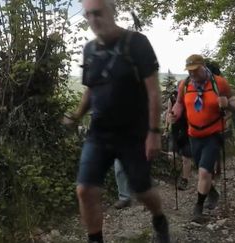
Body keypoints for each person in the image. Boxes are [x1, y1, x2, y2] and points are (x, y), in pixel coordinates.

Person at [66, 0, 170, 242]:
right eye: (88, 15)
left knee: (143, 191)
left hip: (134, 133)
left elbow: (154, 91)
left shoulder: (137, 43)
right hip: (99, 133)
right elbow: (91, 89)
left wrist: (154, 132)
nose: (93, 20)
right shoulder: (90, 49)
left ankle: (159, 219)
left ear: (112, 11)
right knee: (85, 189)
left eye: (98, 13)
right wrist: (76, 115)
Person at [170, 54, 235, 222]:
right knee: (201, 169)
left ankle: (198, 208)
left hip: (213, 134)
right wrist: (174, 114)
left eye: (195, 70)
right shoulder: (184, 85)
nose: (192, 74)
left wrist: (227, 103)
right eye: (189, 71)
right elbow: (179, 103)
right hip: (194, 134)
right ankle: (213, 193)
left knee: (204, 171)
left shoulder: (219, 82)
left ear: (203, 66)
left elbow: (233, 103)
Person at [165, 87, 193, 191]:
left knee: (186, 158)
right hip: (175, 132)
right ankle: (176, 172)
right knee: (171, 156)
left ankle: (184, 179)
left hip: (188, 131)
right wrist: (167, 125)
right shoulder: (171, 98)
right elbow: (168, 112)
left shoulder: (190, 97)